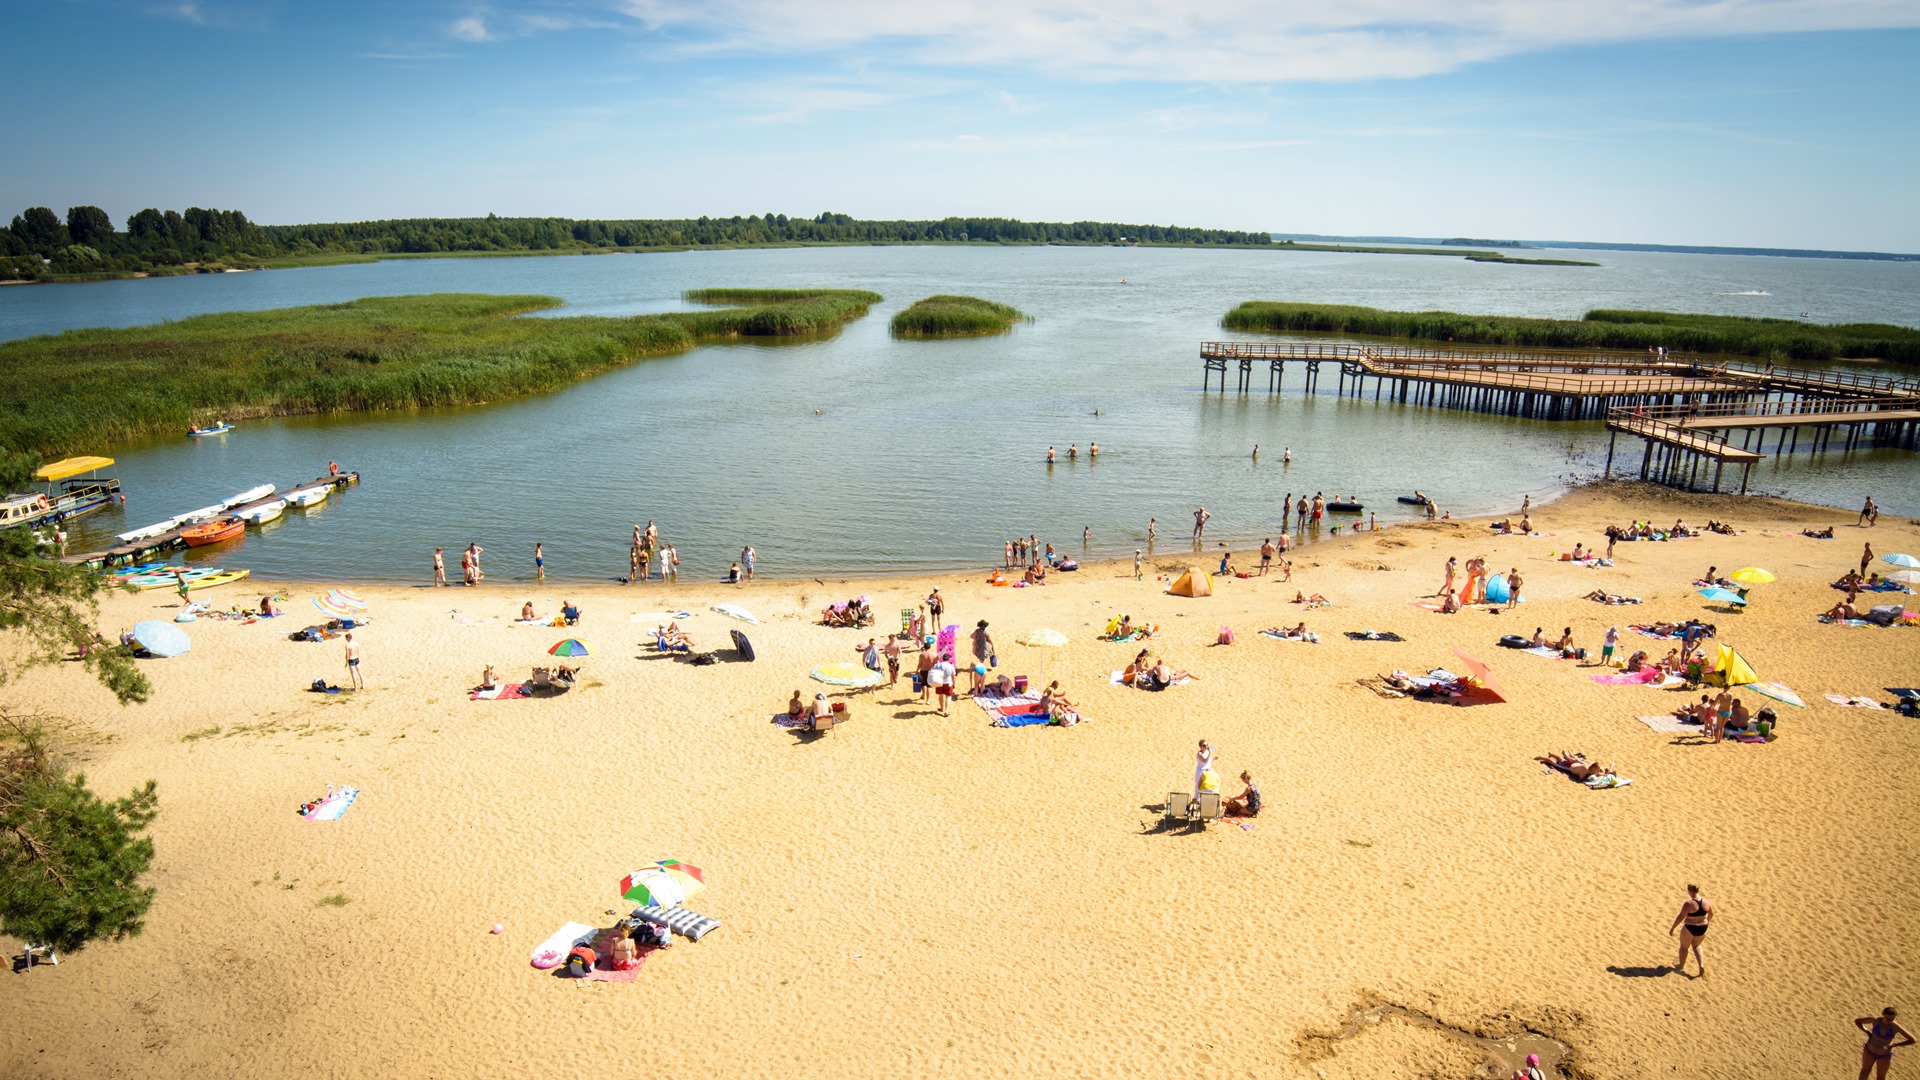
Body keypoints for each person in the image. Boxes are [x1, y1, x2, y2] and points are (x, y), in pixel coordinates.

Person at [1669, 883, 1713, 976]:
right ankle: (1701, 965)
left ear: (1691, 891)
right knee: (1696, 946)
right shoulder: (1706, 902)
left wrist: (1673, 928)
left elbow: (1681, 917)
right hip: (1702, 928)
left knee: (1684, 947)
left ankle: (1681, 965)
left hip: (1690, 927)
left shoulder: (1689, 904)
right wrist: (1707, 921)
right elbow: (1711, 914)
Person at [1857, 1008, 1914, 1080]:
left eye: (1892, 1019)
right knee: (1864, 1072)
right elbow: (1857, 1021)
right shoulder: (1875, 1020)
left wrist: (1895, 1044)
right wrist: (1868, 1032)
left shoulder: (1895, 1026)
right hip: (1869, 1051)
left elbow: (1912, 1040)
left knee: (1880, 1077)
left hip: (1884, 1055)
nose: (1889, 1020)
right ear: (1883, 1014)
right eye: (1887, 1018)